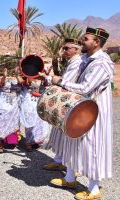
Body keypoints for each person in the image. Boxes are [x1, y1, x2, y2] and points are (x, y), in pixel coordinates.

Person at [51, 27, 114, 200]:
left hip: (94, 112)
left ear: (96, 42)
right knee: (73, 141)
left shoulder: (101, 63)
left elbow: (86, 88)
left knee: (93, 147)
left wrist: (60, 81)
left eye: (85, 39)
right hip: (81, 109)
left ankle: (94, 190)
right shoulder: (87, 59)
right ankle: (70, 178)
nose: (82, 41)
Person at [42, 38, 83, 171]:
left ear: (76, 49)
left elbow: (65, 81)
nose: (63, 51)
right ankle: (59, 160)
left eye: (67, 48)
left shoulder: (76, 63)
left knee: (64, 132)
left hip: (71, 102)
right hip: (67, 101)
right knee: (59, 131)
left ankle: (66, 164)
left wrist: (48, 79)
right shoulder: (72, 62)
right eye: (63, 48)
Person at [0, 66, 22, 153]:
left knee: (13, 124)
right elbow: (0, 84)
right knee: (2, 124)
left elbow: (22, 84)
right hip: (3, 105)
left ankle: (11, 141)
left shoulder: (19, 78)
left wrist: (16, 75)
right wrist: (4, 76)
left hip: (14, 106)